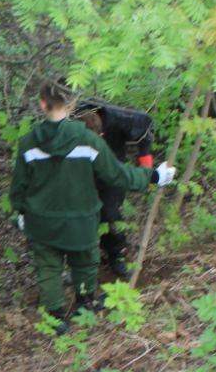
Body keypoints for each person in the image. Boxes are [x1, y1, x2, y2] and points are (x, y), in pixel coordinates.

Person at [11, 81, 175, 332]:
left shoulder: (28, 142)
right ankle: (85, 303)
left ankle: (56, 318)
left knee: (49, 267)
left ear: (42, 104)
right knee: (85, 261)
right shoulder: (88, 140)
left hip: (42, 220)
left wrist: (20, 210)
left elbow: (19, 186)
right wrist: (153, 176)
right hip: (81, 219)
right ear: (72, 104)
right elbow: (117, 175)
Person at [77, 101, 158, 279]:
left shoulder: (122, 119)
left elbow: (145, 130)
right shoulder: (69, 122)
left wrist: (147, 173)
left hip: (113, 172)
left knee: (110, 214)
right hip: (80, 174)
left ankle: (115, 256)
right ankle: (80, 264)